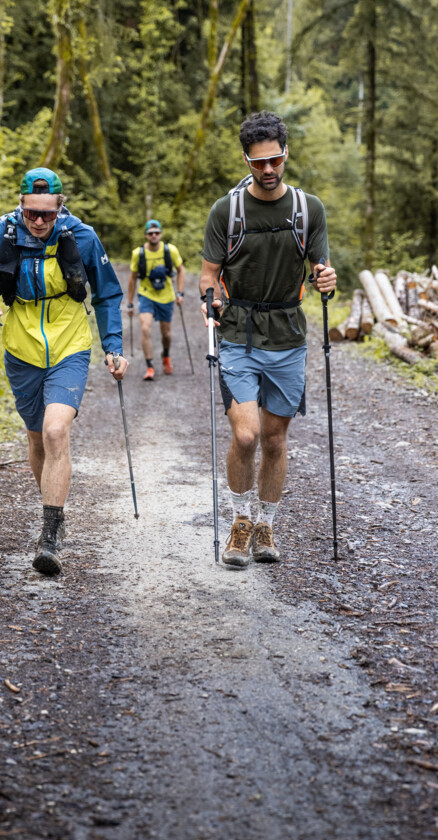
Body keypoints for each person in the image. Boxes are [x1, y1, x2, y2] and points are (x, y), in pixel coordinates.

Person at [0, 167, 128, 576]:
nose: (38, 222)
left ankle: (50, 533)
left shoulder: (82, 237)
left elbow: (107, 294)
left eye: (47, 215)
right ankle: (53, 510)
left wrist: (113, 346)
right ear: (20, 205)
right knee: (36, 436)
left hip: (70, 345)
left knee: (56, 431)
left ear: (60, 206)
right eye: (31, 213)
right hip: (21, 349)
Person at [199, 110, 337, 568]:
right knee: (246, 434)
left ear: (285, 154)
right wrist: (209, 299)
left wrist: (326, 280)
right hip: (238, 332)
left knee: (275, 440)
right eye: (258, 163)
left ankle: (266, 527)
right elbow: (209, 275)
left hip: (288, 336)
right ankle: (239, 523)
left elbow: (322, 269)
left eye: (275, 160)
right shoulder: (228, 210)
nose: (268, 170)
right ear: (246, 160)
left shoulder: (307, 209)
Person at [127, 219, 186, 380]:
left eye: (157, 233)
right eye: (151, 233)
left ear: (160, 234)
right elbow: (132, 279)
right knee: (145, 328)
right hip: (146, 294)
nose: (154, 235)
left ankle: (165, 355)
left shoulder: (170, 250)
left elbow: (181, 270)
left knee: (166, 333)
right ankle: (150, 367)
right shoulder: (138, 254)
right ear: (146, 235)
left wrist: (180, 293)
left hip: (166, 296)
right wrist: (130, 302)